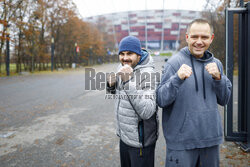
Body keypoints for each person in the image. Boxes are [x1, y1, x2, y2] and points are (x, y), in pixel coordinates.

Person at [156, 19, 232, 167]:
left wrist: (219, 78)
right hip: (181, 143)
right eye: (194, 37)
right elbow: (160, 99)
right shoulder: (174, 63)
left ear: (211, 38)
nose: (199, 42)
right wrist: (177, 79)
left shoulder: (216, 64)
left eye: (204, 37)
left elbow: (224, 99)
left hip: (210, 141)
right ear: (187, 38)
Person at [106, 36, 159, 167]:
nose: (125, 58)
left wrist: (128, 81)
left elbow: (147, 111)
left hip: (140, 143)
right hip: (124, 138)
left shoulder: (149, 74)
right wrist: (111, 85)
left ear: (139, 55)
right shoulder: (122, 66)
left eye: (130, 54)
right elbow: (120, 94)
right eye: (122, 54)